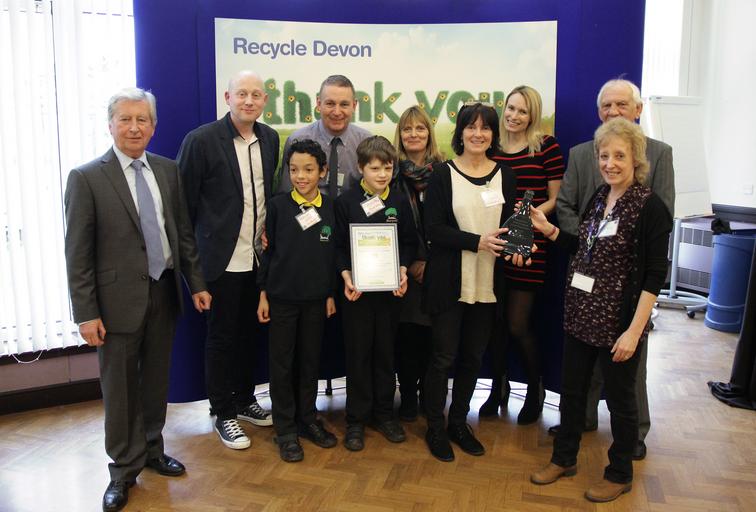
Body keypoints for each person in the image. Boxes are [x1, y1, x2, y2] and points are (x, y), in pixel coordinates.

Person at [64, 87, 211, 512]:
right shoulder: (86, 178)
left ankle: (151, 449)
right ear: (110, 125)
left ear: (153, 126)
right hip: (115, 303)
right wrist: (86, 313)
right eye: (125, 119)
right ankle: (122, 470)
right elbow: (78, 253)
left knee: (155, 382)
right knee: (121, 389)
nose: (134, 127)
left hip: (163, 291)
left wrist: (196, 283)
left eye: (141, 120)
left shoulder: (167, 170)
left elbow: (182, 234)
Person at [530, 117, 672, 502]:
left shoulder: (650, 207)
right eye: (604, 156)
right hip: (582, 314)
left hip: (619, 323)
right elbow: (583, 248)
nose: (610, 163)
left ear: (636, 158)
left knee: (622, 403)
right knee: (573, 393)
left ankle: (619, 472)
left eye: (619, 156)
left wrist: (634, 331)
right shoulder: (599, 197)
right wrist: (549, 229)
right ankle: (564, 459)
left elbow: (655, 275)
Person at [553, 78, 675, 459]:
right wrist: (583, 240)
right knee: (579, 374)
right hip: (586, 293)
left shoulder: (659, 158)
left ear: (638, 110)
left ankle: (632, 439)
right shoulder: (584, 163)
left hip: (627, 297)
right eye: (607, 105)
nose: (614, 111)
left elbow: (660, 228)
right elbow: (568, 208)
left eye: (622, 104)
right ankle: (582, 422)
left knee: (627, 379)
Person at [177, 71, 278, 450]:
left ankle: (245, 399)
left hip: (258, 260)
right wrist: (194, 277)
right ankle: (222, 412)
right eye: (242, 94)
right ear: (227, 97)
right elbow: (183, 211)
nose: (249, 101)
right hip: (220, 262)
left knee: (251, 335)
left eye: (256, 95)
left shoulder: (269, 139)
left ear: (264, 100)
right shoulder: (201, 141)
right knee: (222, 339)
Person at [422, 102, 517, 462]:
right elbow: (433, 230)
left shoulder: (506, 175)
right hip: (450, 281)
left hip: (489, 282)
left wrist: (519, 247)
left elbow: (510, 227)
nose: (478, 134)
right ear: (460, 132)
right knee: (443, 357)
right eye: (471, 127)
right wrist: (476, 241)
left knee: (473, 357)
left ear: (494, 134)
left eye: (486, 128)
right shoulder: (442, 174)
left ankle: (459, 423)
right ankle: (435, 426)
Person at [480, 86, 564, 424]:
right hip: (496, 244)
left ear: (533, 116)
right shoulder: (493, 147)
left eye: (523, 111)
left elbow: (555, 198)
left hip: (530, 244)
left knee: (517, 323)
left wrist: (527, 221)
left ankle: (535, 389)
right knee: (495, 324)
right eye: (511, 108)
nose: (514, 116)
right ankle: (497, 388)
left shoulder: (546, 146)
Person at [257, 139, 338, 462]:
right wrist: (263, 293)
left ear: (323, 171)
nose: (301, 177)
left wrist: (330, 293)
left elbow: (333, 256)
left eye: (308, 170)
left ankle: (307, 418)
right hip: (282, 299)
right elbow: (268, 252)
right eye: (294, 170)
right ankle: (286, 428)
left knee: (309, 362)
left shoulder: (331, 207)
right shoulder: (278, 206)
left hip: (316, 300)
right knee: (282, 363)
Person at [334, 136, 417, 451]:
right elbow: (338, 247)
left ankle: (384, 414)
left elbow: (408, 242)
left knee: (385, 354)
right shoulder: (346, 202)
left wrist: (403, 270)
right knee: (358, 355)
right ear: (361, 168)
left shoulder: (399, 201)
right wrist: (346, 275)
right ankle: (356, 420)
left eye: (388, 168)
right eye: (375, 168)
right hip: (356, 294)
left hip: (389, 294)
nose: (382, 174)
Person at [392, 106, 445, 421]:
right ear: (400, 134)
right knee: (407, 336)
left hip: (438, 268)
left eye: (420, 128)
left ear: (429, 133)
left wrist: (432, 262)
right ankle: (408, 396)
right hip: (403, 270)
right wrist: (410, 263)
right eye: (407, 129)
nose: (413, 134)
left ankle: (430, 394)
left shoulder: (445, 172)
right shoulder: (391, 173)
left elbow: (452, 221)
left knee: (433, 337)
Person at [278, 75, 372, 197]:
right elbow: (287, 193)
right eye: (330, 103)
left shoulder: (366, 142)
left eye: (344, 104)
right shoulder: (297, 140)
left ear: (354, 106)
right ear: (319, 104)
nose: (337, 112)